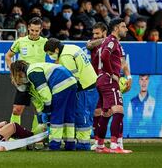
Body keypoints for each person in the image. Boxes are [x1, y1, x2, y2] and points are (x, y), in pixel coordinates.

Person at [10, 60, 78, 150]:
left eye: (19, 76)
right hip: (72, 82)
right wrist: (42, 115)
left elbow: (46, 94)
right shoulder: (32, 78)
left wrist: (48, 110)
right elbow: (38, 103)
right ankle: (70, 144)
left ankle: (54, 145)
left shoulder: (32, 72)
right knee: (68, 116)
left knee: (56, 116)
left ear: (20, 72)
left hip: (60, 84)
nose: (20, 79)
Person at [44, 38, 98, 150]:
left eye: (50, 53)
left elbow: (72, 78)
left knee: (81, 114)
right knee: (87, 114)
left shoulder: (65, 57)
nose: (51, 56)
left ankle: (83, 144)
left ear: (56, 50)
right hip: (92, 83)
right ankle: (84, 141)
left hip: (83, 87)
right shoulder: (71, 47)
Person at [86, 22, 132, 151]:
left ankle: (100, 145)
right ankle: (115, 144)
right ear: (116, 28)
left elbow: (100, 58)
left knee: (105, 113)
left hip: (100, 79)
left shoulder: (107, 42)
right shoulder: (112, 41)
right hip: (108, 79)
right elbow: (105, 55)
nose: (126, 29)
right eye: (124, 26)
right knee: (118, 110)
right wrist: (112, 74)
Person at [5, 17, 47, 132]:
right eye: (32, 30)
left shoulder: (45, 42)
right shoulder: (20, 41)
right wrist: (14, 73)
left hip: (38, 81)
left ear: (41, 29)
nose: (34, 33)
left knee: (38, 111)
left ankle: (35, 137)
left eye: (36, 31)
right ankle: (13, 135)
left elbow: (56, 56)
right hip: (24, 81)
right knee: (16, 110)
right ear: (28, 28)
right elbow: (8, 56)